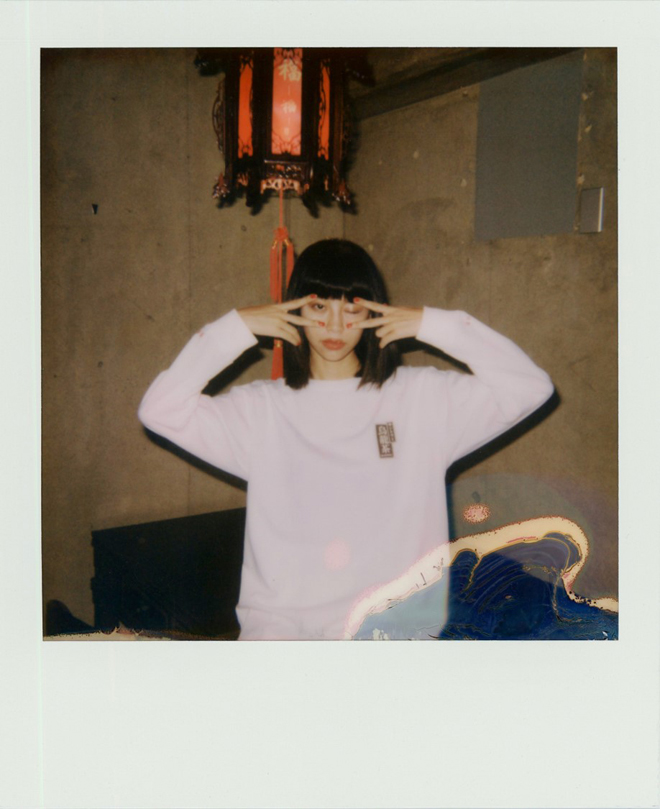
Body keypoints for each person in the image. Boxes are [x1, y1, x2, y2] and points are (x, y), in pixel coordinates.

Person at [138, 239, 554, 640]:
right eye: (319, 306)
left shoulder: (421, 399)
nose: (334, 325)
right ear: (294, 309)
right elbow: (159, 411)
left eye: (351, 308)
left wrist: (434, 324)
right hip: (282, 639)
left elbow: (529, 387)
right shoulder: (261, 410)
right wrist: (235, 328)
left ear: (374, 311)